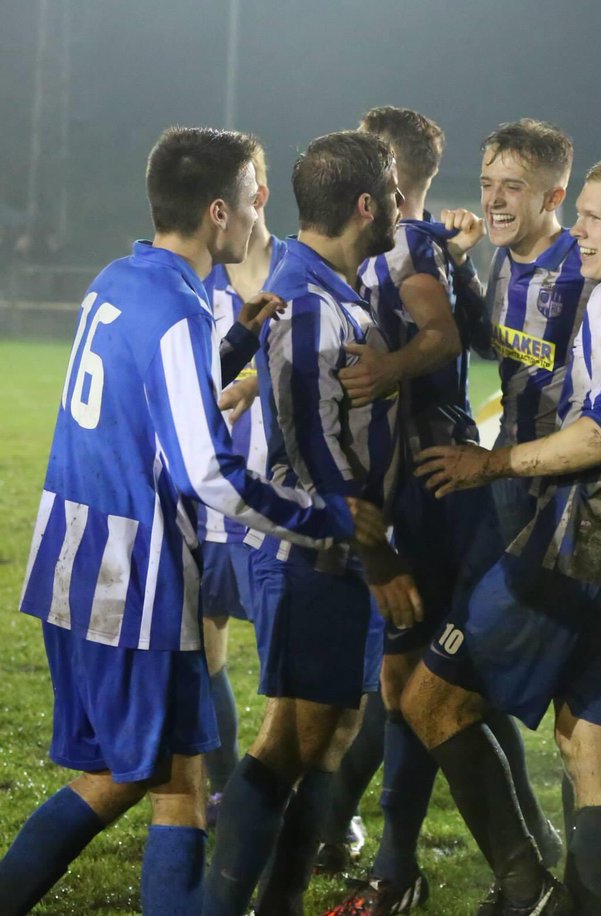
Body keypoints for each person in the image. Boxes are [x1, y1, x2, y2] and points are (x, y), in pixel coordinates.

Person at [0, 126, 377, 916]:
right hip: (131, 577)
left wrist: (235, 342)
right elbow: (208, 472)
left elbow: (152, 396)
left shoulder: (119, 278)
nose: (257, 210)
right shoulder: (176, 308)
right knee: (144, 778)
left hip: (72, 554)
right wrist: (321, 519)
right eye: (250, 197)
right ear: (216, 212)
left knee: (173, 774)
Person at [407, 152, 601, 915]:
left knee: (428, 700)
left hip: (575, 546)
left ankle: (524, 880)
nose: (580, 232)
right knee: (590, 749)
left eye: (594, 218)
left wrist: (493, 464)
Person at [322, 109, 562, 915]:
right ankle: (505, 847)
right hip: (424, 484)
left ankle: (393, 868)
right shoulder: (405, 242)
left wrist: (389, 367)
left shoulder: (407, 243)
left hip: (425, 488)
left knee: (410, 684)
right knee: (424, 687)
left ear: (391, 167)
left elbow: (446, 336)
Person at [203, 129, 418, 916]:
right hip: (318, 554)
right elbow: (312, 447)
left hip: (336, 551)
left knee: (329, 730)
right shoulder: (309, 301)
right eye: (394, 194)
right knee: (289, 740)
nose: (401, 206)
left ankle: (279, 902)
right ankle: (234, 906)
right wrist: (378, 555)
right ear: (367, 206)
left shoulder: (331, 284)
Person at [198, 138, 287, 826]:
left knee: (296, 674)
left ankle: (321, 807)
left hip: (278, 507)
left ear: (259, 199)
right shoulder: (192, 287)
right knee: (204, 642)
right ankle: (228, 787)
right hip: (205, 504)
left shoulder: (300, 273)